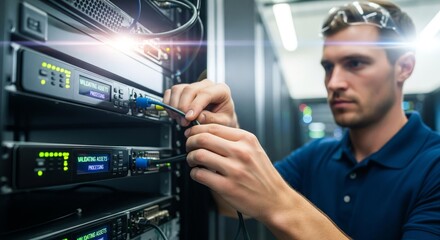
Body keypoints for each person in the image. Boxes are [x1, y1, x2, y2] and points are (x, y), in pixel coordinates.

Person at [163, 0, 440, 239]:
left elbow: (270, 200)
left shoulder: (433, 166)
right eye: (328, 67)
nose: (334, 82)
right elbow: (235, 207)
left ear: (404, 67)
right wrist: (224, 131)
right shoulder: (317, 156)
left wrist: (279, 204)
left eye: (355, 63)